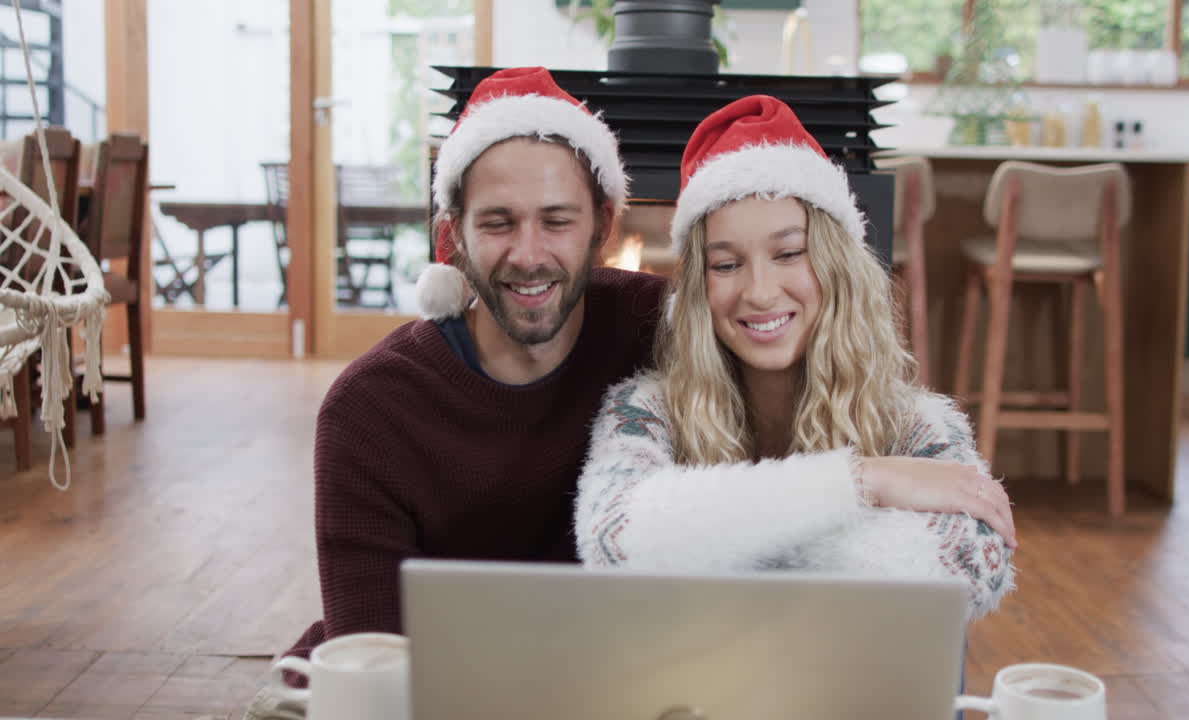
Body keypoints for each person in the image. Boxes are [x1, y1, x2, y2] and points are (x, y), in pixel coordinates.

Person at [280, 67, 664, 671]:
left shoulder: (659, 327)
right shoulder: (371, 409)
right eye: (497, 222)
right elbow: (370, 657)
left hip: (610, 674)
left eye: (557, 220)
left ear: (603, 226)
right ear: (453, 232)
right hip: (431, 685)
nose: (529, 255)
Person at [575, 95, 1015, 619]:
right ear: (698, 290)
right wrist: (861, 482)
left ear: (836, 267)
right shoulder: (645, 409)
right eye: (725, 264)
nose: (759, 292)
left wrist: (698, 538)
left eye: (788, 253)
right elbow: (614, 543)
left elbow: (968, 571)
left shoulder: (916, 423)